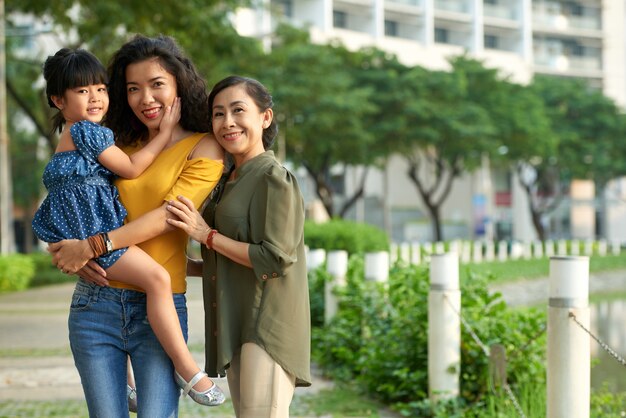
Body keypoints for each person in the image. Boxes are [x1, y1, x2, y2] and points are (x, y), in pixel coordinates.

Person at [47, 35, 225, 417]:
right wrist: (65, 249)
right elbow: (75, 199)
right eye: (132, 88)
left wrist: (92, 246)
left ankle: (187, 371)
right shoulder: (113, 142)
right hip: (96, 303)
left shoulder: (203, 146)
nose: (145, 98)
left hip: (157, 310)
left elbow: (167, 217)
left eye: (157, 84)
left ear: (179, 85)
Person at [166, 75, 312, 418]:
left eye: (238, 110)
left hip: (267, 326)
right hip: (235, 323)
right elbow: (227, 260)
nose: (227, 122)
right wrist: (180, 263)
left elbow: (275, 257)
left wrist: (207, 236)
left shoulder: (273, 178)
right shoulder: (226, 180)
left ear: (265, 117)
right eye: (218, 114)